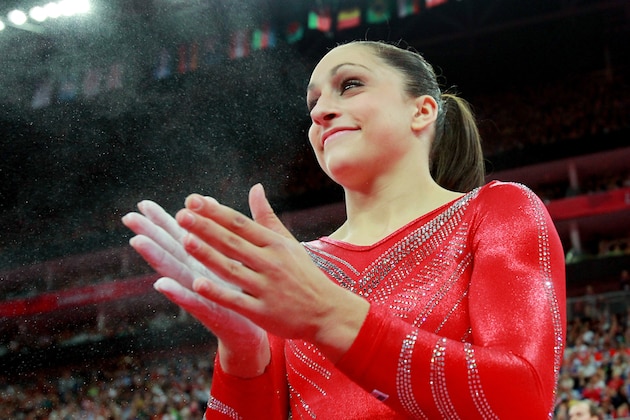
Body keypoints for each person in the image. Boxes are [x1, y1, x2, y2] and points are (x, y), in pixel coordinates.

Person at [122, 40, 567, 419]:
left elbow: (524, 401)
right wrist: (243, 357)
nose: (320, 113)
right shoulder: (293, 268)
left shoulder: (498, 210)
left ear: (422, 110)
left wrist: (329, 316)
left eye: (349, 85)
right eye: (313, 104)